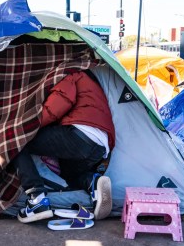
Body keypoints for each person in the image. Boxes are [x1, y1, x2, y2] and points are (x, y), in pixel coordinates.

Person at [10, 70, 115, 223]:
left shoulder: (74, 75)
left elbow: (57, 105)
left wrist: (29, 127)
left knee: (17, 141)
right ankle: (93, 182)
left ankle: (37, 199)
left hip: (80, 134)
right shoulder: (95, 85)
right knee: (69, 175)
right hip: (100, 146)